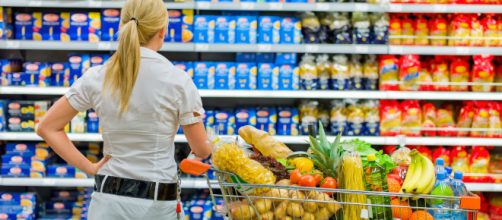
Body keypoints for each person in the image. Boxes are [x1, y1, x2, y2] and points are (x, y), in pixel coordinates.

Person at [36, 0, 212, 218]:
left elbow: (47, 127)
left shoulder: (98, 75)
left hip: (107, 201)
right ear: (162, 31)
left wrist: (89, 167)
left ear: (123, 24)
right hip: (155, 205)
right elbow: (202, 150)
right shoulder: (178, 80)